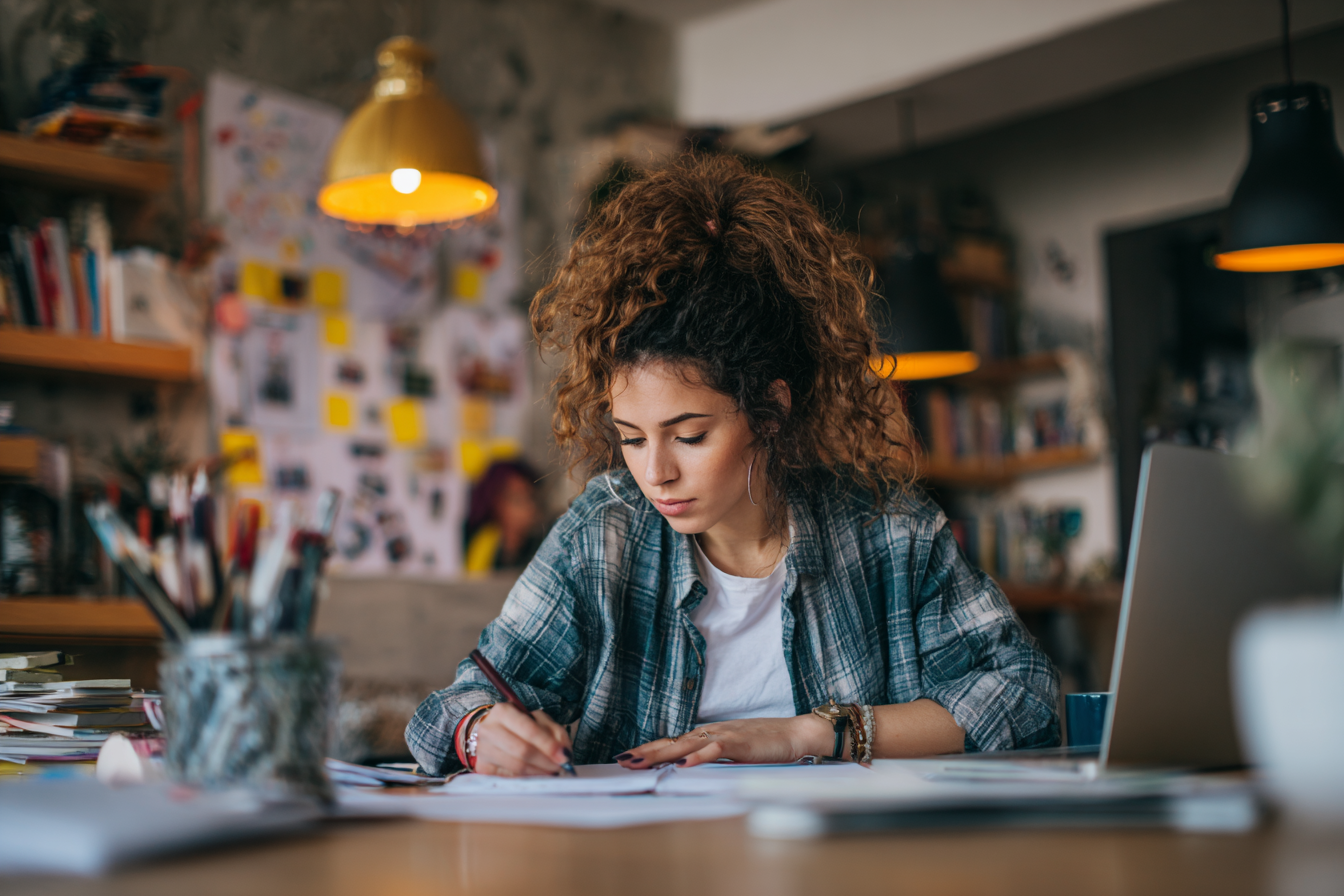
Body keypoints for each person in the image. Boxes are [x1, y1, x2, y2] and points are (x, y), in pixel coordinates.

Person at [407, 155, 1059, 777]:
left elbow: (1026, 694)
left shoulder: (891, 532)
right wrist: (480, 732)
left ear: (770, 410)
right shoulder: (604, 532)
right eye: (631, 438)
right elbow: (452, 709)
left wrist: (812, 734)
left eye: (689, 436)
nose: (655, 473)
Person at [463, 460, 546, 574]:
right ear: (496, 503)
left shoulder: (542, 548)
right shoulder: (480, 546)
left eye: (531, 498)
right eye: (517, 500)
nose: (530, 508)